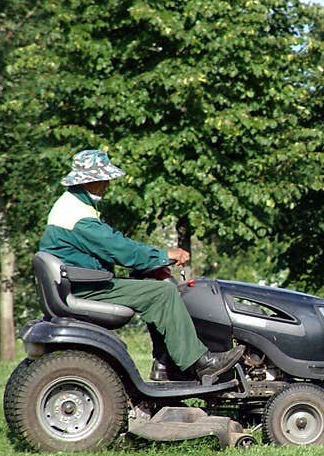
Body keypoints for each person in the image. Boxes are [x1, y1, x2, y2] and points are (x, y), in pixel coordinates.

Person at [39, 148, 244, 383]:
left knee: (153, 284)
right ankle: (201, 363)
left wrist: (150, 266)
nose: (107, 184)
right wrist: (165, 255)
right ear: (91, 180)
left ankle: (165, 364)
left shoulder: (71, 205)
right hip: (86, 287)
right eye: (104, 179)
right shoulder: (79, 216)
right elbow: (120, 250)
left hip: (80, 280)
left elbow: (106, 249)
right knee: (163, 292)